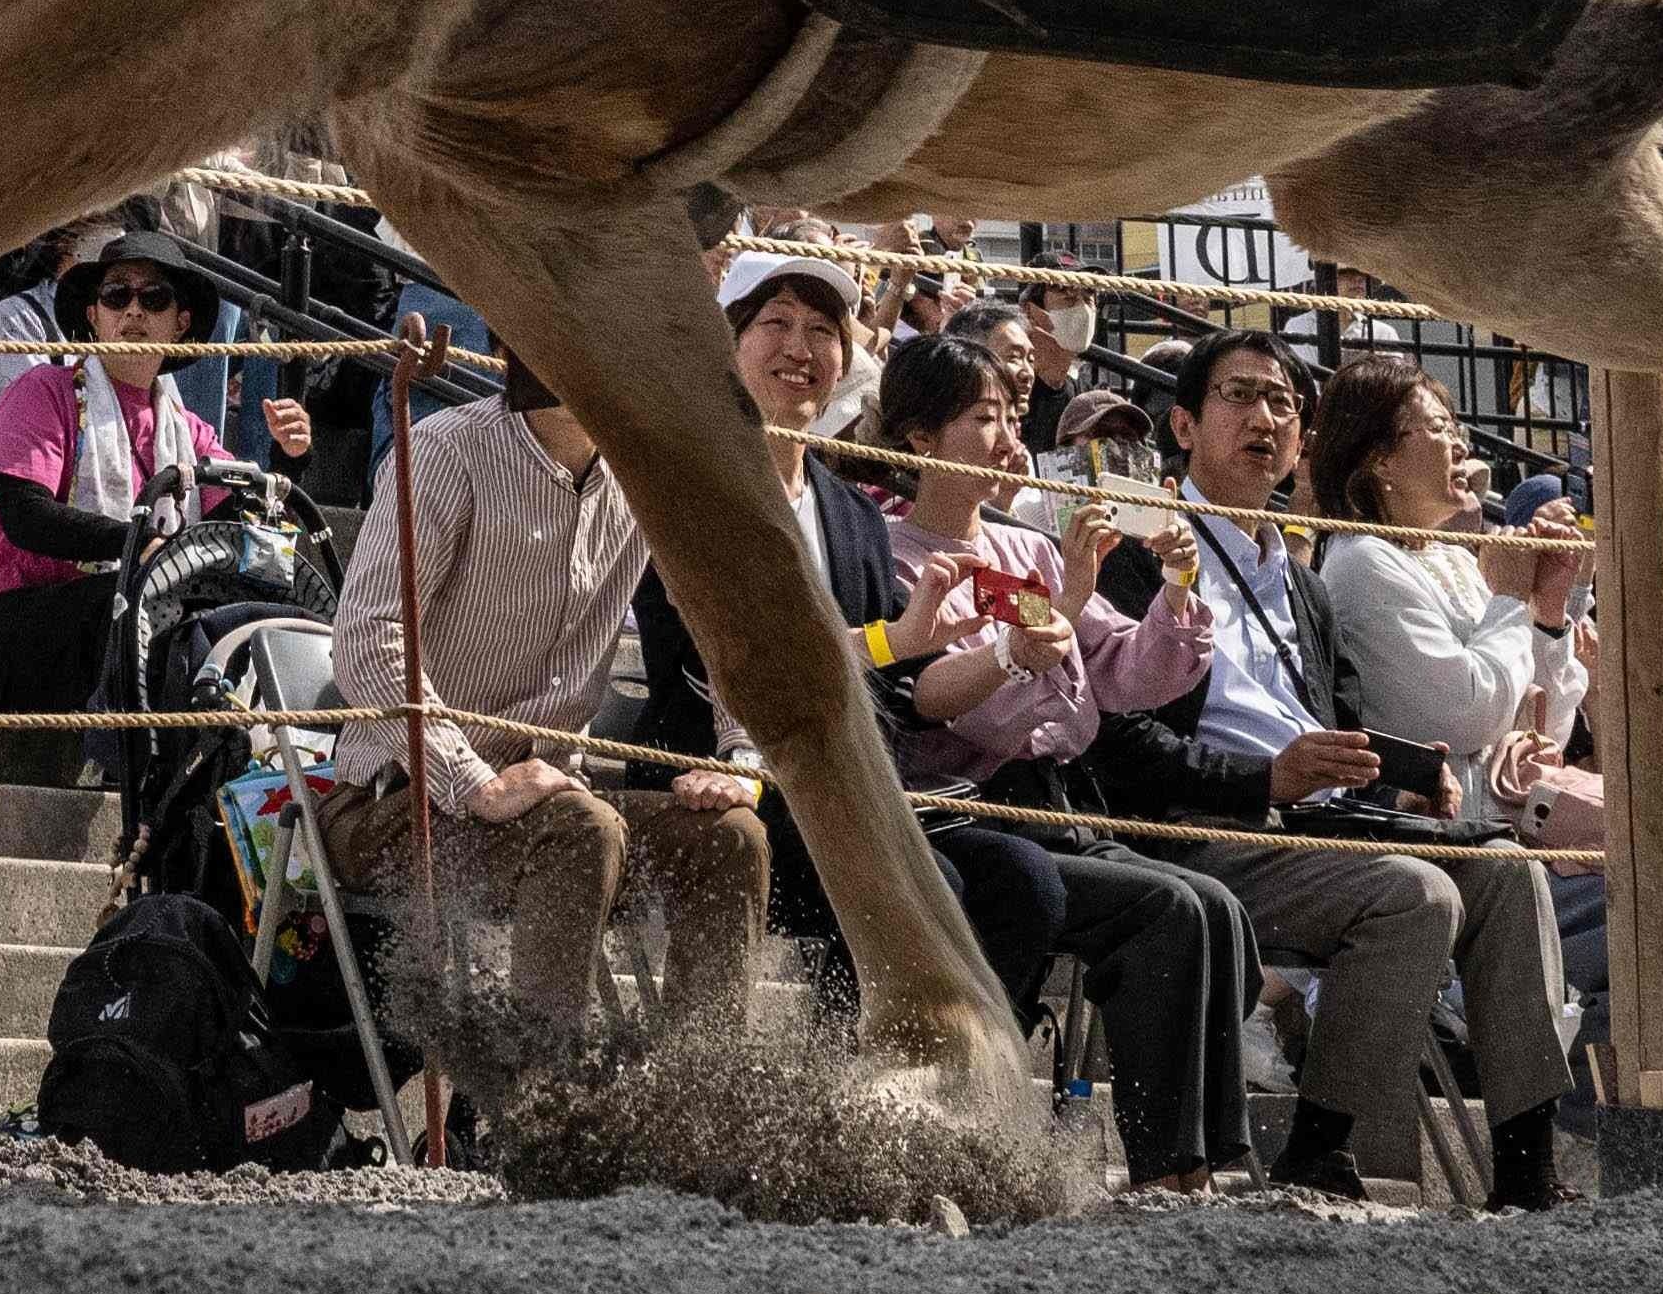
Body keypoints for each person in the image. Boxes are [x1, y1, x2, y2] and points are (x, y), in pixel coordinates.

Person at [629, 249, 1189, 1164]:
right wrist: (916, 645)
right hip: (724, 774)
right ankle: (875, 1111)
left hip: (853, 783)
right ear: (723, 348)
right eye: (774, 324)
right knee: (940, 885)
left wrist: (922, 640)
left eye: (821, 330)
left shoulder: (847, 512)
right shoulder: (685, 480)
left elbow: (887, 688)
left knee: (1021, 880)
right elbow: (719, 661)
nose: (801, 348)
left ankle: (950, 1113)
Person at [1088, 324, 1574, 1212]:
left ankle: (1526, 1165)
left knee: (1504, 871)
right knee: (1412, 894)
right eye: (1239, 396)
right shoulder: (1135, 550)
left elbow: (1340, 729)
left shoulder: (1301, 580)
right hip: (1200, 827)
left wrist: (1401, 773)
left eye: (1283, 403)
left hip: (1312, 824)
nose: (1265, 417)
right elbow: (1111, 742)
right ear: (1185, 426)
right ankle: (1321, 1149)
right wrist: (1263, 780)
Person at [1307, 358, 1663, 1193]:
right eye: (1436, 428)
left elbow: (1545, 716)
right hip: (1460, 847)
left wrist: (1546, 605)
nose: (1461, 445)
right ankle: (1592, 1126)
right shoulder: (1362, 567)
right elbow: (1457, 715)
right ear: (1378, 461)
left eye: (1457, 427)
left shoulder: (1457, 561)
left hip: (1512, 825)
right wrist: (1510, 608)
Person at [852, 330, 1254, 1186]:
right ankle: (1162, 1162)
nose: (1006, 440)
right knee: (1167, 909)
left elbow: (1130, 678)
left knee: (1215, 905)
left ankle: (1208, 1159)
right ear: (918, 439)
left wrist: (1176, 583)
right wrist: (1066, 603)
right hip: (971, 811)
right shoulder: (891, 560)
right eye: (981, 417)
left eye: (1010, 416)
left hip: (1062, 802)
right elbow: (983, 717)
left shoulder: (1027, 548)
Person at [316, 344, 767, 1051]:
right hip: (397, 807)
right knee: (579, 829)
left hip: (559, 809)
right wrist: (473, 782)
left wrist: (739, 755)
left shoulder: (649, 472)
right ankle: (536, 1112)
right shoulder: (447, 448)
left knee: (729, 837)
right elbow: (366, 637)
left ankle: (695, 1106)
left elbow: (729, 625)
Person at [0, 206, 235, 767]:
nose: (133, 309)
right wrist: (139, 545)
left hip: (95, 623)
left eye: (154, 298)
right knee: (142, 602)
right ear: (94, 313)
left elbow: (241, 510)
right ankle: (148, 773)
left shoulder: (187, 428)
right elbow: (25, 517)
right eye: (116, 296)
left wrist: (288, 456)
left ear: (180, 321)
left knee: (203, 612)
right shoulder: (46, 391)